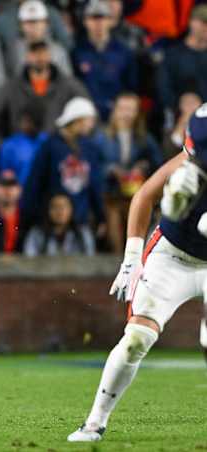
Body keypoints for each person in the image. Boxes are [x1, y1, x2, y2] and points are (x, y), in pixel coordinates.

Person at [67, 102, 207, 442]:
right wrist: (131, 256)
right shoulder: (193, 155)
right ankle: (94, 422)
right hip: (172, 254)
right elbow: (144, 195)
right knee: (136, 339)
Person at [21, 97, 106, 232]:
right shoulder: (50, 146)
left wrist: (101, 216)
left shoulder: (90, 148)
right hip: (50, 224)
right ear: (78, 120)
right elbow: (35, 182)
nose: (92, 125)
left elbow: (94, 184)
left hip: (81, 221)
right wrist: (29, 215)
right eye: (89, 120)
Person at [0, 40, 88, 139]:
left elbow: (88, 113)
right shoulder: (11, 87)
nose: (39, 57)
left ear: (49, 55)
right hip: (21, 150)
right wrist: (5, 146)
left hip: (57, 149)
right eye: (34, 52)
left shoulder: (68, 85)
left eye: (43, 52)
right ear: (27, 56)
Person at [99, 92, 162, 253]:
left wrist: (142, 167)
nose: (126, 114)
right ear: (115, 110)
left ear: (137, 112)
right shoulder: (101, 136)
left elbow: (158, 164)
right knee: (112, 214)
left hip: (136, 192)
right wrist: (111, 170)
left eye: (130, 109)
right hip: (110, 193)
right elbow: (93, 164)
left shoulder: (145, 138)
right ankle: (117, 257)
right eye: (122, 109)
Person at [72, 0, 136, 121]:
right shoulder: (77, 52)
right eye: (93, 18)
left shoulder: (124, 52)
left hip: (117, 116)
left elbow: (131, 88)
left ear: (110, 21)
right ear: (85, 21)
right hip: (87, 115)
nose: (98, 23)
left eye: (102, 18)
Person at [157, 5, 207, 115]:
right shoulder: (172, 54)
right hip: (176, 115)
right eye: (204, 22)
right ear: (192, 22)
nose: (205, 28)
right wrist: (179, 105)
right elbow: (163, 88)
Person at [6, 0, 71, 77]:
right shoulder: (14, 50)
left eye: (37, 21)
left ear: (46, 23)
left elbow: (67, 82)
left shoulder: (58, 51)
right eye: (28, 22)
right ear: (20, 25)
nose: (33, 26)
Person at [23, 192, 95, 256]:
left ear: (71, 209)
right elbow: (29, 260)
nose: (60, 211)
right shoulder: (36, 233)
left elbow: (90, 259)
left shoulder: (83, 233)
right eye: (55, 207)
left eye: (64, 206)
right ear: (47, 210)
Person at [0, 100, 48, 186]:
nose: (24, 124)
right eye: (23, 120)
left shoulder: (47, 142)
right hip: (18, 195)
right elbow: (4, 174)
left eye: (28, 121)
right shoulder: (10, 145)